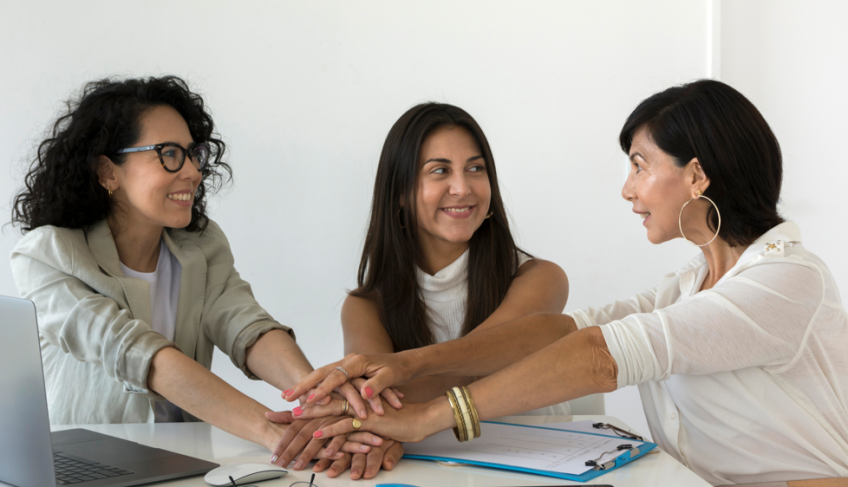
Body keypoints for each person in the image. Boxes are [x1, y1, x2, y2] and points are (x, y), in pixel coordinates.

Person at [284, 80, 848, 486]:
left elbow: (602, 354)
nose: (627, 189)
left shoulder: (784, 281)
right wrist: (406, 366)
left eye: (639, 165)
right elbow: (562, 331)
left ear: (696, 175)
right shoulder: (688, 285)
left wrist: (426, 415)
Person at [9, 76, 390, 478]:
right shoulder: (47, 255)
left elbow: (245, 324)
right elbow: (135, 352)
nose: (193, 171)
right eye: (169, 154)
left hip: (181, 462)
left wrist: (317, 395)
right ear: (108, 172)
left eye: (193, 154)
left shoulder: (201, 244)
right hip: (86, 466)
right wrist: (273, 431)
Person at [267, 102, 574, 479]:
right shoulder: (365, 305)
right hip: (421, 470)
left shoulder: (540, 278)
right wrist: (359, 419)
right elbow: (377, 402)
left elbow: (473, 365)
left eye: (475, 169)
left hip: (542, 467)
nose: (462, 188)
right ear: (400, 192)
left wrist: (353, 408)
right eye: (440, 170)